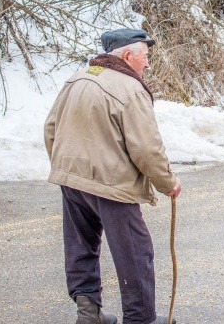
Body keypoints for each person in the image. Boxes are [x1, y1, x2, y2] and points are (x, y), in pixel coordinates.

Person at [44, 28, 181, 324]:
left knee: (81, 246)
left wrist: (66, 166)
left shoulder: (77, 79)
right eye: (145, 57)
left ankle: (88, 312)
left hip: (71, 179)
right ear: (128, 55)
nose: (148, 64)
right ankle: (140, 319)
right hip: (111, 185)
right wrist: (167, 183)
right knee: (135, 253)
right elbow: (147, 149)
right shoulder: (130, 90)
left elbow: (50, 128)